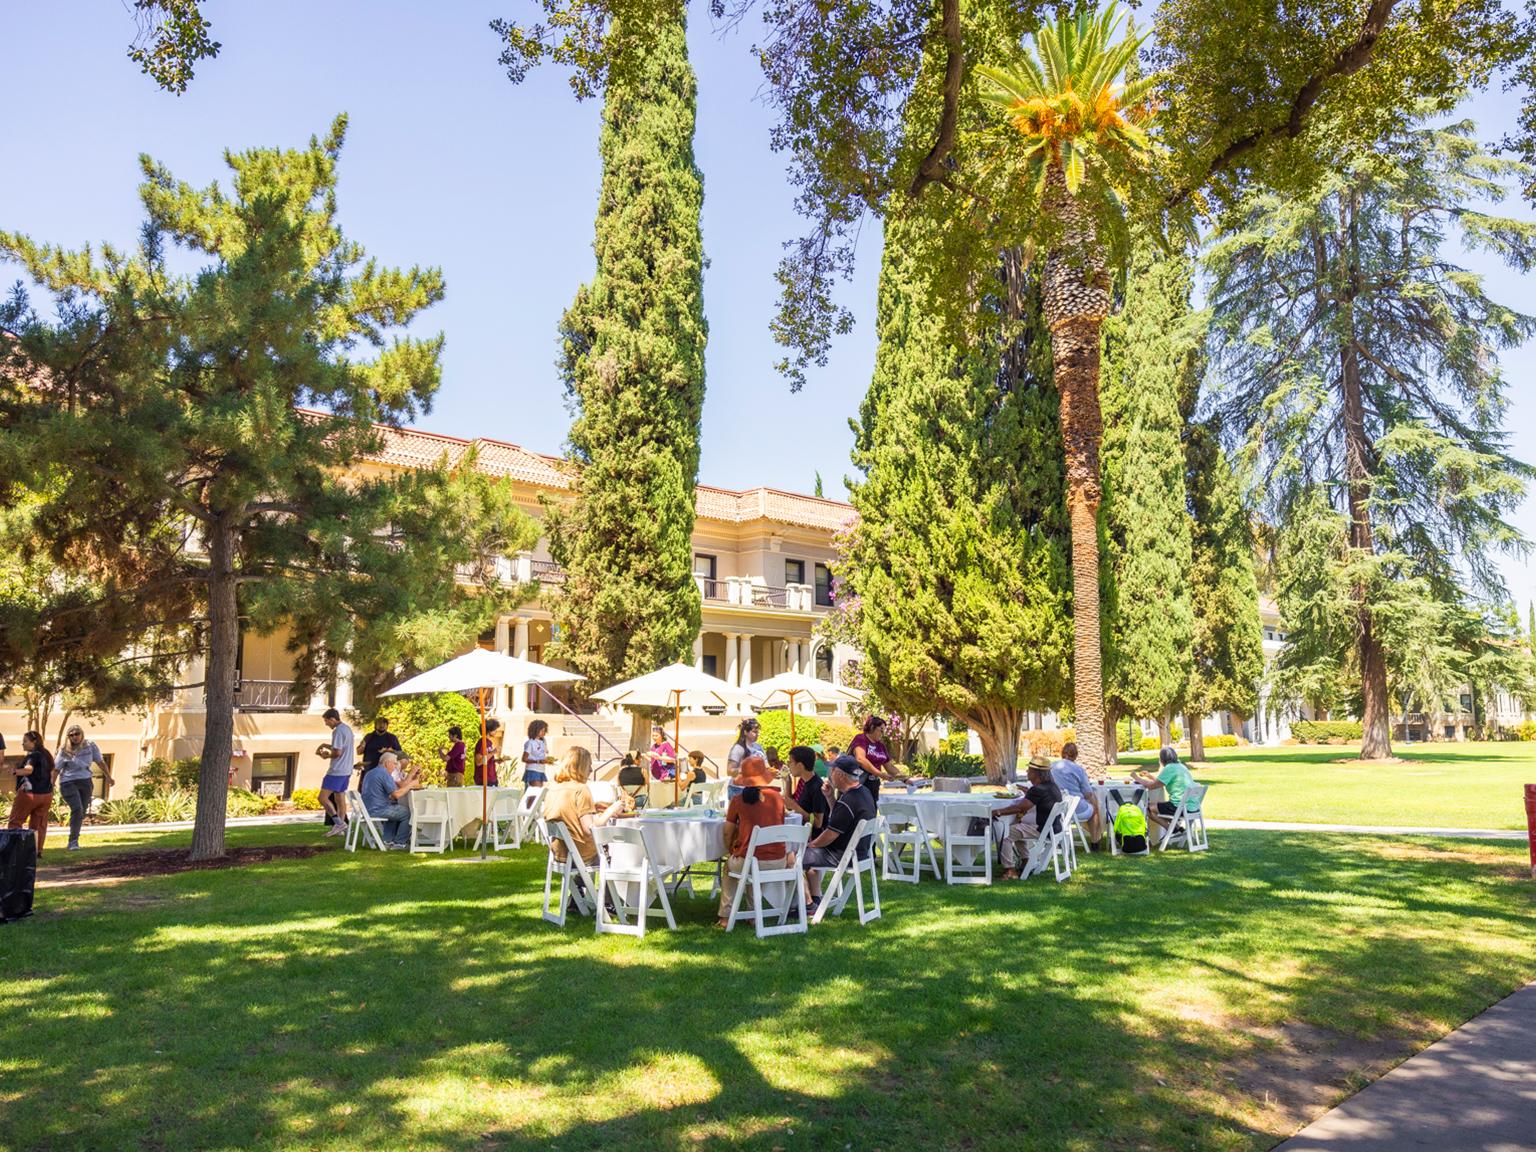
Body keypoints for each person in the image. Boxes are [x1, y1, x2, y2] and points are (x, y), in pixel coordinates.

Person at [717, 754, 791, 927]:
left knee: (730, 867)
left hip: (750, 861)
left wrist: (732, 850)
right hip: (778, 860)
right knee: (750, 861)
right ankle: (752, 913)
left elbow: (727, 832)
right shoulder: (778, 798)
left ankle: (725, 915)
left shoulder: (738, 800)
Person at [800, 755, 877, 916]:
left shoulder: (848, 800)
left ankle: (805, 903)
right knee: (808, 857)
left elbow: (830, 834)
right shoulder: (864, 792)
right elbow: (841, 818)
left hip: (841, 855)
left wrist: (811, 845)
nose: (830, 774)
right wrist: (830, 797)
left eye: (832, 770)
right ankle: (816, 899)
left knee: (795, 857)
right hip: (860, 852)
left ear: (841, 775)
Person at [541, 747, 625, 874]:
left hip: (559, 854)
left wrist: (594, 807)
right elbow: (590, 829)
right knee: (618, 851)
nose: (591, 770)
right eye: (589, 766)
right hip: (581, 856)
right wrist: (612, 810)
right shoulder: (581, 789)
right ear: (580, 767)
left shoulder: (553, 789)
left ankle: (581, 885)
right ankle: (611, 888)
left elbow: (567, 815)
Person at [997, 757, 1064, 879]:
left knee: (1005, 833)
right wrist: (1027, 791)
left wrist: (998, 811)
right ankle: (1026, 860)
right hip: (1054, 827)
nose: (1027, 772)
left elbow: (1020, 808)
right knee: (1017, 827)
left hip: (1042, 829)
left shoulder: (1038, 790)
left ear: (1036, 773)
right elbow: (1037, 798)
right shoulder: (1052, 786)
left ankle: (1009, 870)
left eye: (1029, 770)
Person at [55, 725, 112, 852]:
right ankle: (73, 842)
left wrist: (108, 777)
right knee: (77, 808)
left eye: (77, 734)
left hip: (85, 781)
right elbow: (56, 769)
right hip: (68, 782)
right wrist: (51, 785)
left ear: (82, 734)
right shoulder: (64, 750)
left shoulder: (90, 746)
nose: (74, 737)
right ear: (68, 737)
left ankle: (75, 838)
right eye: (71, 735)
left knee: (81, 812)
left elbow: (100, 762)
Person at [1133, 746, 1199, 840]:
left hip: (1179, 807)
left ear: (1162, 759)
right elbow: (1161, 782)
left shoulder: (1169, 768)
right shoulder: (1180, 766)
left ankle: (1171, 829)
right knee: (1157, 808)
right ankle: (1176, 828)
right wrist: (1149, 776)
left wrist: (1136, 777)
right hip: (1192, 807)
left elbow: (1151, 786)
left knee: (1148, 808)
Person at [7, 731, 55, 856]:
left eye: (25, 741)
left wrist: (15, 771)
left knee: (16, 822)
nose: (22, 743)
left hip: (29, 794)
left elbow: (29, 770)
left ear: (34, 742)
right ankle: (37, 851)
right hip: (46, 794)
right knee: (38, 825)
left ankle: (14, 850)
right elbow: (52, 772)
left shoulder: (33, 756)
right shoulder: (47, 755)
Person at [360, 750, 420, 848]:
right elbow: (396, 795)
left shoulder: (371, 772)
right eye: (394, 763)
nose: (396, 766)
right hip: (378, 809)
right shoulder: (384, 774)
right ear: (387, 763)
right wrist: (411, 785)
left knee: (396, 809)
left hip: (368, 809)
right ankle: (399, 843)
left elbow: (392, 793)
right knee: (409, 812)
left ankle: (387, 840)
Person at [1050, 741, 1102, 844]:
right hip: (1074, 807)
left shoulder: (1051, 766)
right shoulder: (1078, 769)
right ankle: (1095, 841)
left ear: (1062, 753)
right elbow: (1088, 793)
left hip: (1055, 807)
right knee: (1094, 810)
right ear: (1075, 755)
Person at [316, 708, 355, 837]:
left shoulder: (337, 731)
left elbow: (337, 752)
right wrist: (325, 745)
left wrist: (326, 756)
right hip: (347, 770)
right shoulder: (347, 729)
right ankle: (341, 828)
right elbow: (341, 747)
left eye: (327, 721)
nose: (326, 724)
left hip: (336, 771)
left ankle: (338, 823)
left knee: (322, 798)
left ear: (333, 719)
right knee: (339, 798)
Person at [849, 715, 901, 800]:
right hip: (859, 783)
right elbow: (860, 759)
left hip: (873, 784)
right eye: (881, 730)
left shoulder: (881, 746)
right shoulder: (861, 738)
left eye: (884, 731)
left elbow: (889, 767)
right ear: (872, 727)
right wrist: (880, 774)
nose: (882, 734)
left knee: (872, 806)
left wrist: (904, 778)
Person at [784, 745, 830, 833]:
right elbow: (789, 806)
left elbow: (818, 823)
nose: (788, 765)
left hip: (812, 836)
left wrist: (795, 807)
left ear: (800, 765)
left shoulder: (817, 787)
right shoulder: (803, 781)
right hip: (802, 830)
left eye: (790, 762)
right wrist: (788, 782)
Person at [726, 718, 764, 798]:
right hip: (738, 789)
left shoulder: (759, 747)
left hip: (755, 789)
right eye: (754, 732)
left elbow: (765, 766)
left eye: (758, 732)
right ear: (745, 732)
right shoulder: (738, 748)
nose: (758, 734)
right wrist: (745, 769)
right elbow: (729, 771)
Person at [521, 720, 552, 786]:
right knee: (536, 790)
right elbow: (524, 759)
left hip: (541, 770)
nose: (544, 733)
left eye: (544, 731)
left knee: (538, 791)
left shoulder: (543, 742)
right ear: (535, 730)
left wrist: (548, 761)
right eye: (542, 731)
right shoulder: (530, 743)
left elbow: (542, 755)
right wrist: (538, 761)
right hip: (532, 770)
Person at [473, 719, 502, 787]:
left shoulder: (489, 742)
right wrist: (492, 753)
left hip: (491, 778)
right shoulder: (482, 743)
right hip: (484, 779)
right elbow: (479, 762)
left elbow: (486, 759)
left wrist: (496, 760)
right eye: (494, 730)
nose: (496, 731)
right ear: (489, 730)